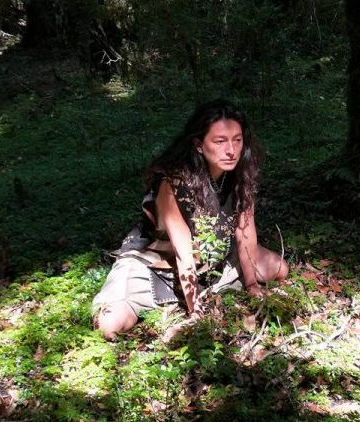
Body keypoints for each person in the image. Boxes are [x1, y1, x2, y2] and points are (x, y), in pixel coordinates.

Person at [92, 99, 289, 340]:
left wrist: (252, 286)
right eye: (219, 141)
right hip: (157, 261)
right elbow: (182, 249)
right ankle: (173, 300)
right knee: (110, 323)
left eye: (237, 140)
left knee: (280, 268)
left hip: (212, 258)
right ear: (199, 145)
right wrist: (195, 310)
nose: (231, 150)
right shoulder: (172, 180)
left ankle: (204, 291)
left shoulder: (240, 173)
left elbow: (245, 231)